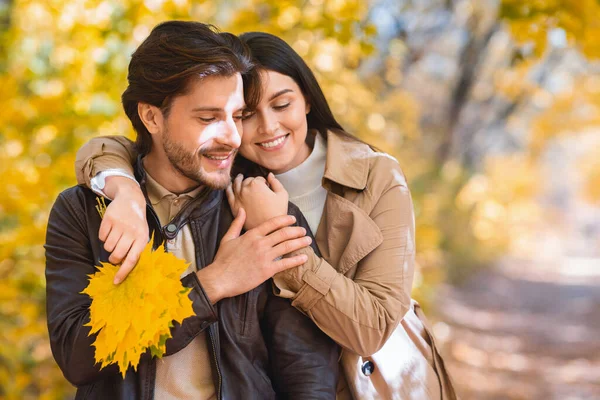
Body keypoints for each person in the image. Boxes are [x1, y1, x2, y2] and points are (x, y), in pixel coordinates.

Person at [74, 31, 457, 399]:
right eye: (247, 114)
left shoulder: (375, 175)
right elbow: (113, 147)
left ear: (307, 98)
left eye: (282, 104)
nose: (268, 127)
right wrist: (125, 191)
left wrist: (276, 233)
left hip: (378, 380)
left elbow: (371, 329)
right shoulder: (225, 172)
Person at [45, 21, 340, 400]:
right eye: (208, 118)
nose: (232, 137)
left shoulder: (263, 212)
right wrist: (212, 284)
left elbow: (306, 368)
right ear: (152, 117)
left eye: (237, 116)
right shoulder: (83, 211)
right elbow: (77, 357)